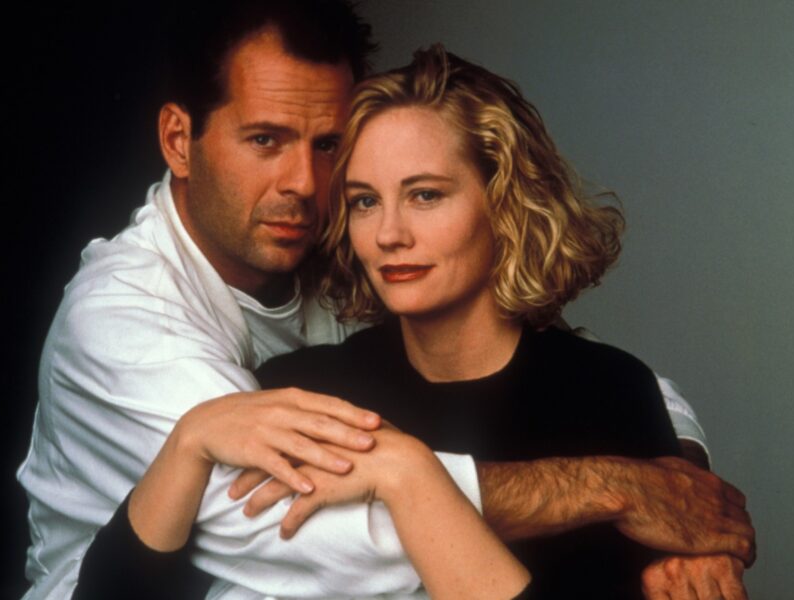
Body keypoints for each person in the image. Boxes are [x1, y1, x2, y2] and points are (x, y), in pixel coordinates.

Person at [16, 2, 753, 598]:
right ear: (179, 141)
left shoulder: (316, 254)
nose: (306, 185)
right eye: (265, 140)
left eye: (328, 147)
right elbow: (317, 543)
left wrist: (680, 485)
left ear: (504, 204)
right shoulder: (125, 320)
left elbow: (618, 392)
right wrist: (620, 490)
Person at [239, 44, 747, 598]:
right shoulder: (304, 391)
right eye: (365, 202)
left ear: (505, 204)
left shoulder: (611, 391)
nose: (388, 234)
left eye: (425, 195)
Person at [73, 391, 532, 600]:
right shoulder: (294, 385)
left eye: (427, 198)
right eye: (362, 214)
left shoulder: (573, 405)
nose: (391, 236)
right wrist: (186, 442)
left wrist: (411, 474)